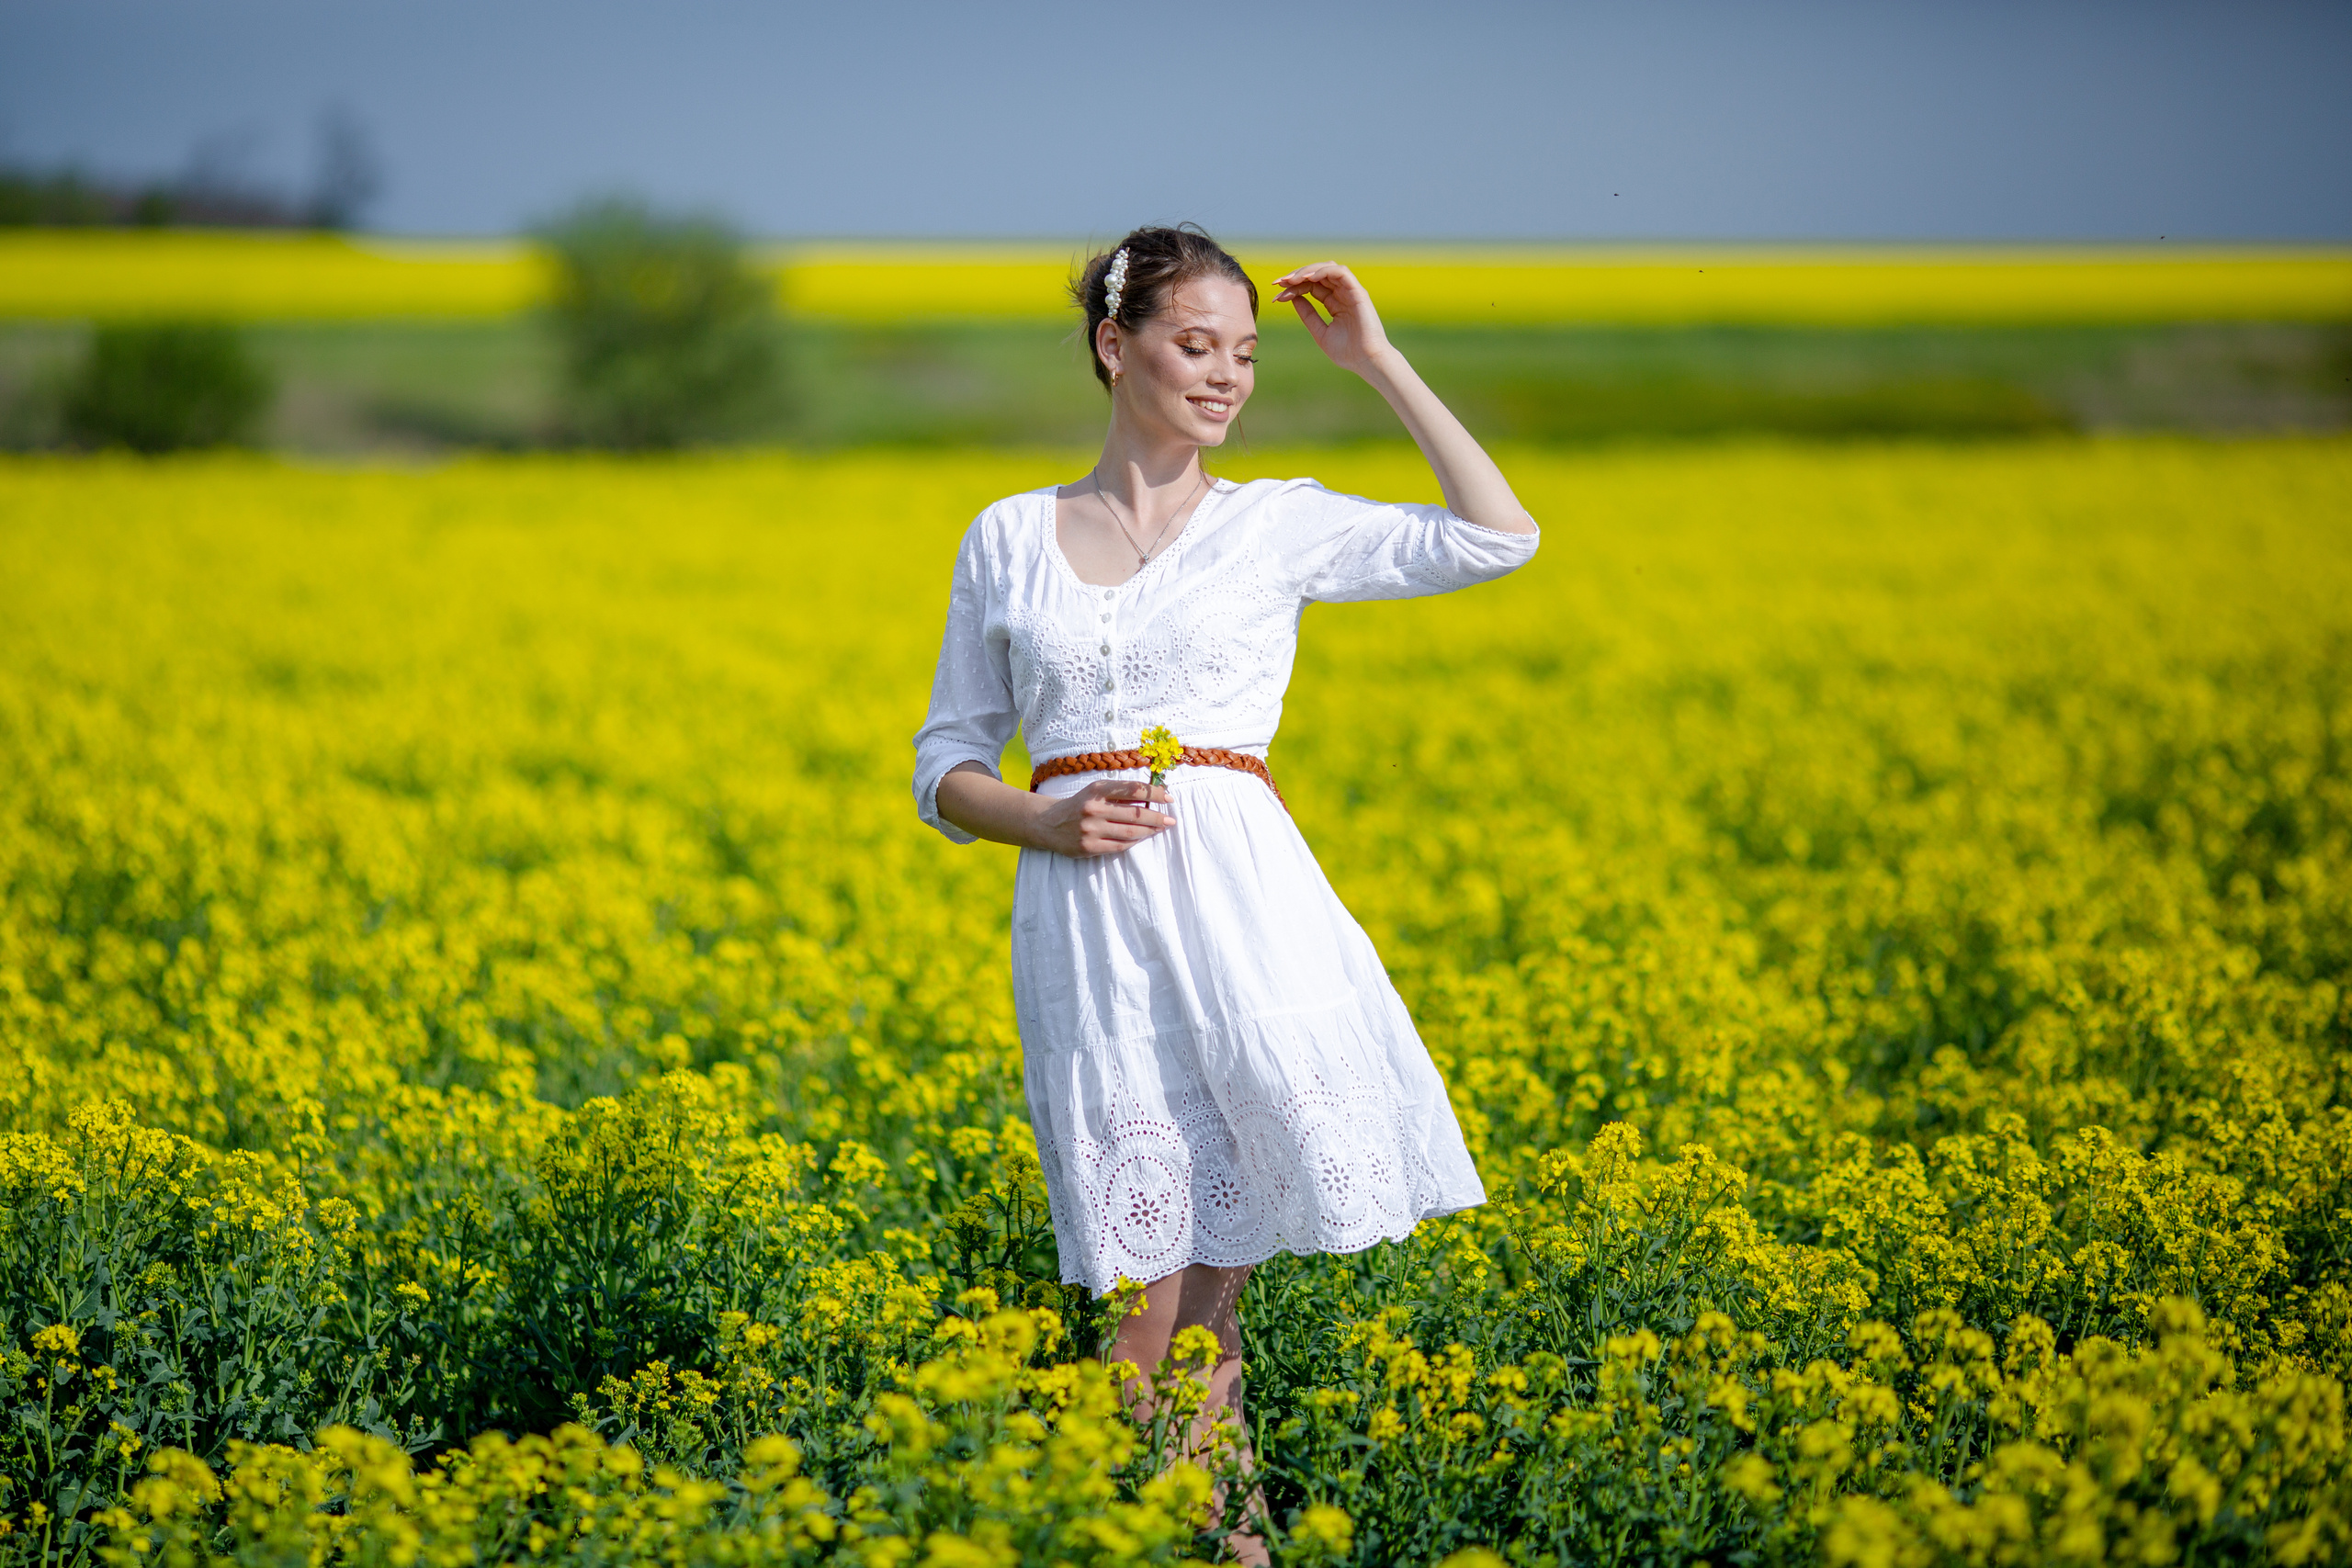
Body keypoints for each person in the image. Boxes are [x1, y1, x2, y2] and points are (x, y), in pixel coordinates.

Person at [910, 223, 1538, 1560]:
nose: (1227, 376)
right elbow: (945, 761)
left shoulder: (1276, 524)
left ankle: (1204, 1547)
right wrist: (1041, 816)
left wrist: (1378, 362)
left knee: (1186, 1316)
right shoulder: (1009, 537)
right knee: (1157, 1319)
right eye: (1197, 345)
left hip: (1251, 933)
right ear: (1112, 347)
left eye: (1245, 354)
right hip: (1091, 936)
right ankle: (1228, 1547)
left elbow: (1499, 537)